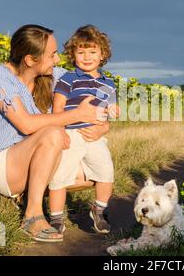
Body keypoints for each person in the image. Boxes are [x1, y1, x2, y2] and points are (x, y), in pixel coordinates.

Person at [0, 24, 109, 242]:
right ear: (30, 60)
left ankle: (26, 194)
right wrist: (77, 115)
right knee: (53, 134)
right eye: (53, 55)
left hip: (38, 159)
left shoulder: (55, 76)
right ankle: (32, 215)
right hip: (2, 164)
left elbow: (91, 90)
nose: (58, 60)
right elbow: (26, 125)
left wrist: (103, 125)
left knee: (95, 172)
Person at [49, 25, 119, 234]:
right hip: (72, 133)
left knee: (106, 172)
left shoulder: (108, 83)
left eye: (92, 51)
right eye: (81, 52)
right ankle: (56, 218)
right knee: (60, 176)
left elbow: (108, 109)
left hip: (95, 135)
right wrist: (60, 130)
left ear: (102, 54)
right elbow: (58, 108)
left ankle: (99, 210)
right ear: (73, 54)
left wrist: (113, 110)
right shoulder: (68, 79)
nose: (87, 57)